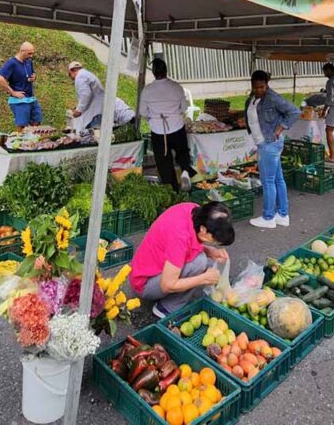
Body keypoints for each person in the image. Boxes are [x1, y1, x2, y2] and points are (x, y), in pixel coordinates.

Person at [130, 201, 235, 318]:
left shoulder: (194, 211)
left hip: (152, 267)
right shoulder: (180, 237)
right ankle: (166, 308)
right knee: (199, 263)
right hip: (145, 284)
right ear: (203, 230)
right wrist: (203, 279)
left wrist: (209, 250)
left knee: (208, 262)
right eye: (214, 240)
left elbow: (186, 241)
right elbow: (167, 284)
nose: (214, 243)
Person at [243, 71, 300, 230]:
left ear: (267, 84)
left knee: (268, 181)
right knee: (277, 179)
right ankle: (282, 215)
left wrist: (281, 127)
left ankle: (268, 217)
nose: (259, 90)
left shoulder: (273, 98)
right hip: (265, 143)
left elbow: (295, 112)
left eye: (262, 87)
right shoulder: (253, 99)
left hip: (270, 143)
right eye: (256, 87)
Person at [138, 58, 193, 191]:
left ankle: (172, 189)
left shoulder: (147, 90)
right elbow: (184, 108)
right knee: (182, 152)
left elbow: (142, 111)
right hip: (177, 126)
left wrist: (153, 116)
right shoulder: (176, 87)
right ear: (166, 71)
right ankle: (185, 170)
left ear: (154, 72)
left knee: (164, 162)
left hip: (158, 130)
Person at [67, 62, 135, 130]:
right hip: (100, 112)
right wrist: (78, 106)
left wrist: (79, 110)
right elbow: (92, 96)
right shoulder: (87, 74)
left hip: (96, 115)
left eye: (70, 76)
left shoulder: (80, 76)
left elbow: (85, 94)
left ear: (71, 71)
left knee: (97, 137)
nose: (72, 79)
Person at [0, 42, 42, 129]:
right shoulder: (12, 63)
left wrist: (34, 77)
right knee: (22, 127)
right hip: (19, 101)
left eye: (32, 53)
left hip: (31, 99)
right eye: (29, 53)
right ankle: (20, 142)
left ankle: (33, 142)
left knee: (37, 122)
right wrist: (13, 92)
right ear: (22, 51)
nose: (31, 56)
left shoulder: (29, 62)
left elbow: (31, 74)